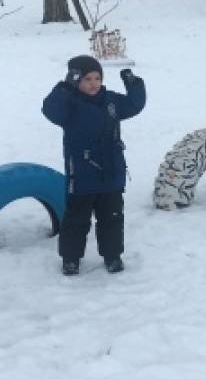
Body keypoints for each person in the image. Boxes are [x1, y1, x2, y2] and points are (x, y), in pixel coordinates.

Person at [42, 55, 146, 275]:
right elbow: (50, 111)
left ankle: (112, 255)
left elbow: (135, 105)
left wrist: (134, 84)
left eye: (97, 78)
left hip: (111, 171)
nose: (93, 84)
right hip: (82, 173)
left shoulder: (111, 101)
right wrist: (64, 88)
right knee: (76, 220)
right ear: (75, 79)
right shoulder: (69, 104)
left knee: (112, 218)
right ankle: (71, 259)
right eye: (87, 79)